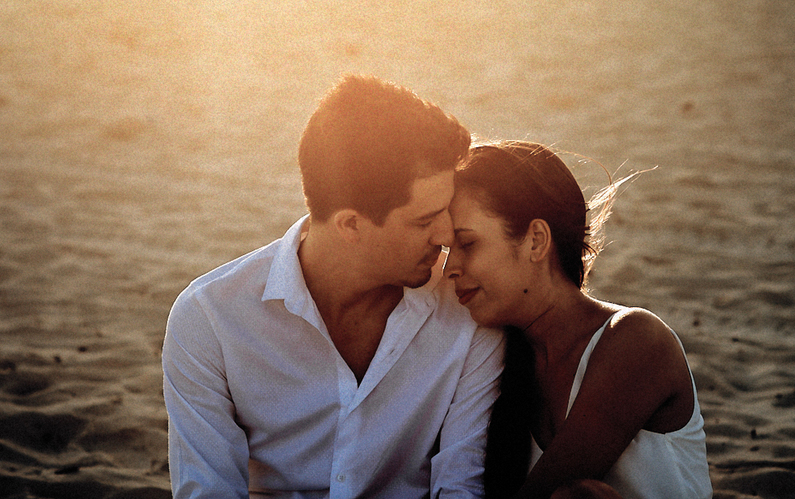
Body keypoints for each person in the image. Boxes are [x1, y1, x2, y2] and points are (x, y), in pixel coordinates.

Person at [163, 75, 505, 499]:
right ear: (350, 224)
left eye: (446, 210)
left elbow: (461, 486)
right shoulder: (210, 318)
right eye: (424, 220)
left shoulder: (467, 309)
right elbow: (208, 491)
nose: (447, 235)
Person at [444, 141, 711, 499]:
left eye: (467, 244)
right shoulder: (495, 362)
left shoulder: (635, 340)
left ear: (536, 241)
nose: (449, 268)